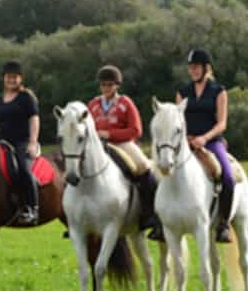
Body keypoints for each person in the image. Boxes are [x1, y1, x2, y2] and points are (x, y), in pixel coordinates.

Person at [88, 65, 163, 241]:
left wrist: (110, 134)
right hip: (97, 147)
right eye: (103, 85)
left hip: (123, 144)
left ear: (117, 86)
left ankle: (151, 214)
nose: (106, 88)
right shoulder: (92, 105)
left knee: (144, 167)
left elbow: (136, 130)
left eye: (109, 85)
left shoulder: (125, 103)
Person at [176, 49, 233, 243]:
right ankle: (160, 222)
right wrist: (187, 138)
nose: (192, 71)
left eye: (196, 67)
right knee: (162, 171)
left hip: (211, 142)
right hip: (186, 142)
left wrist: (204, 138)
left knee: (227, 176)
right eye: (190, 67)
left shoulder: (218, 91)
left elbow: (222, 123)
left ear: (205, 68)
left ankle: (223, 224)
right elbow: (178, 120)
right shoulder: (182, 92)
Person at [0, 61, 40, 225]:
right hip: (2, 143)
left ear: (20, 79)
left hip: (21, 142)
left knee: (23, 169)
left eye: (15, 77)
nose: (11, 80)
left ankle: (32, 208)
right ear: (4, 78)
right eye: (8, 77)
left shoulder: (26, 98)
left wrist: (32, 142)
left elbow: (34, 119)